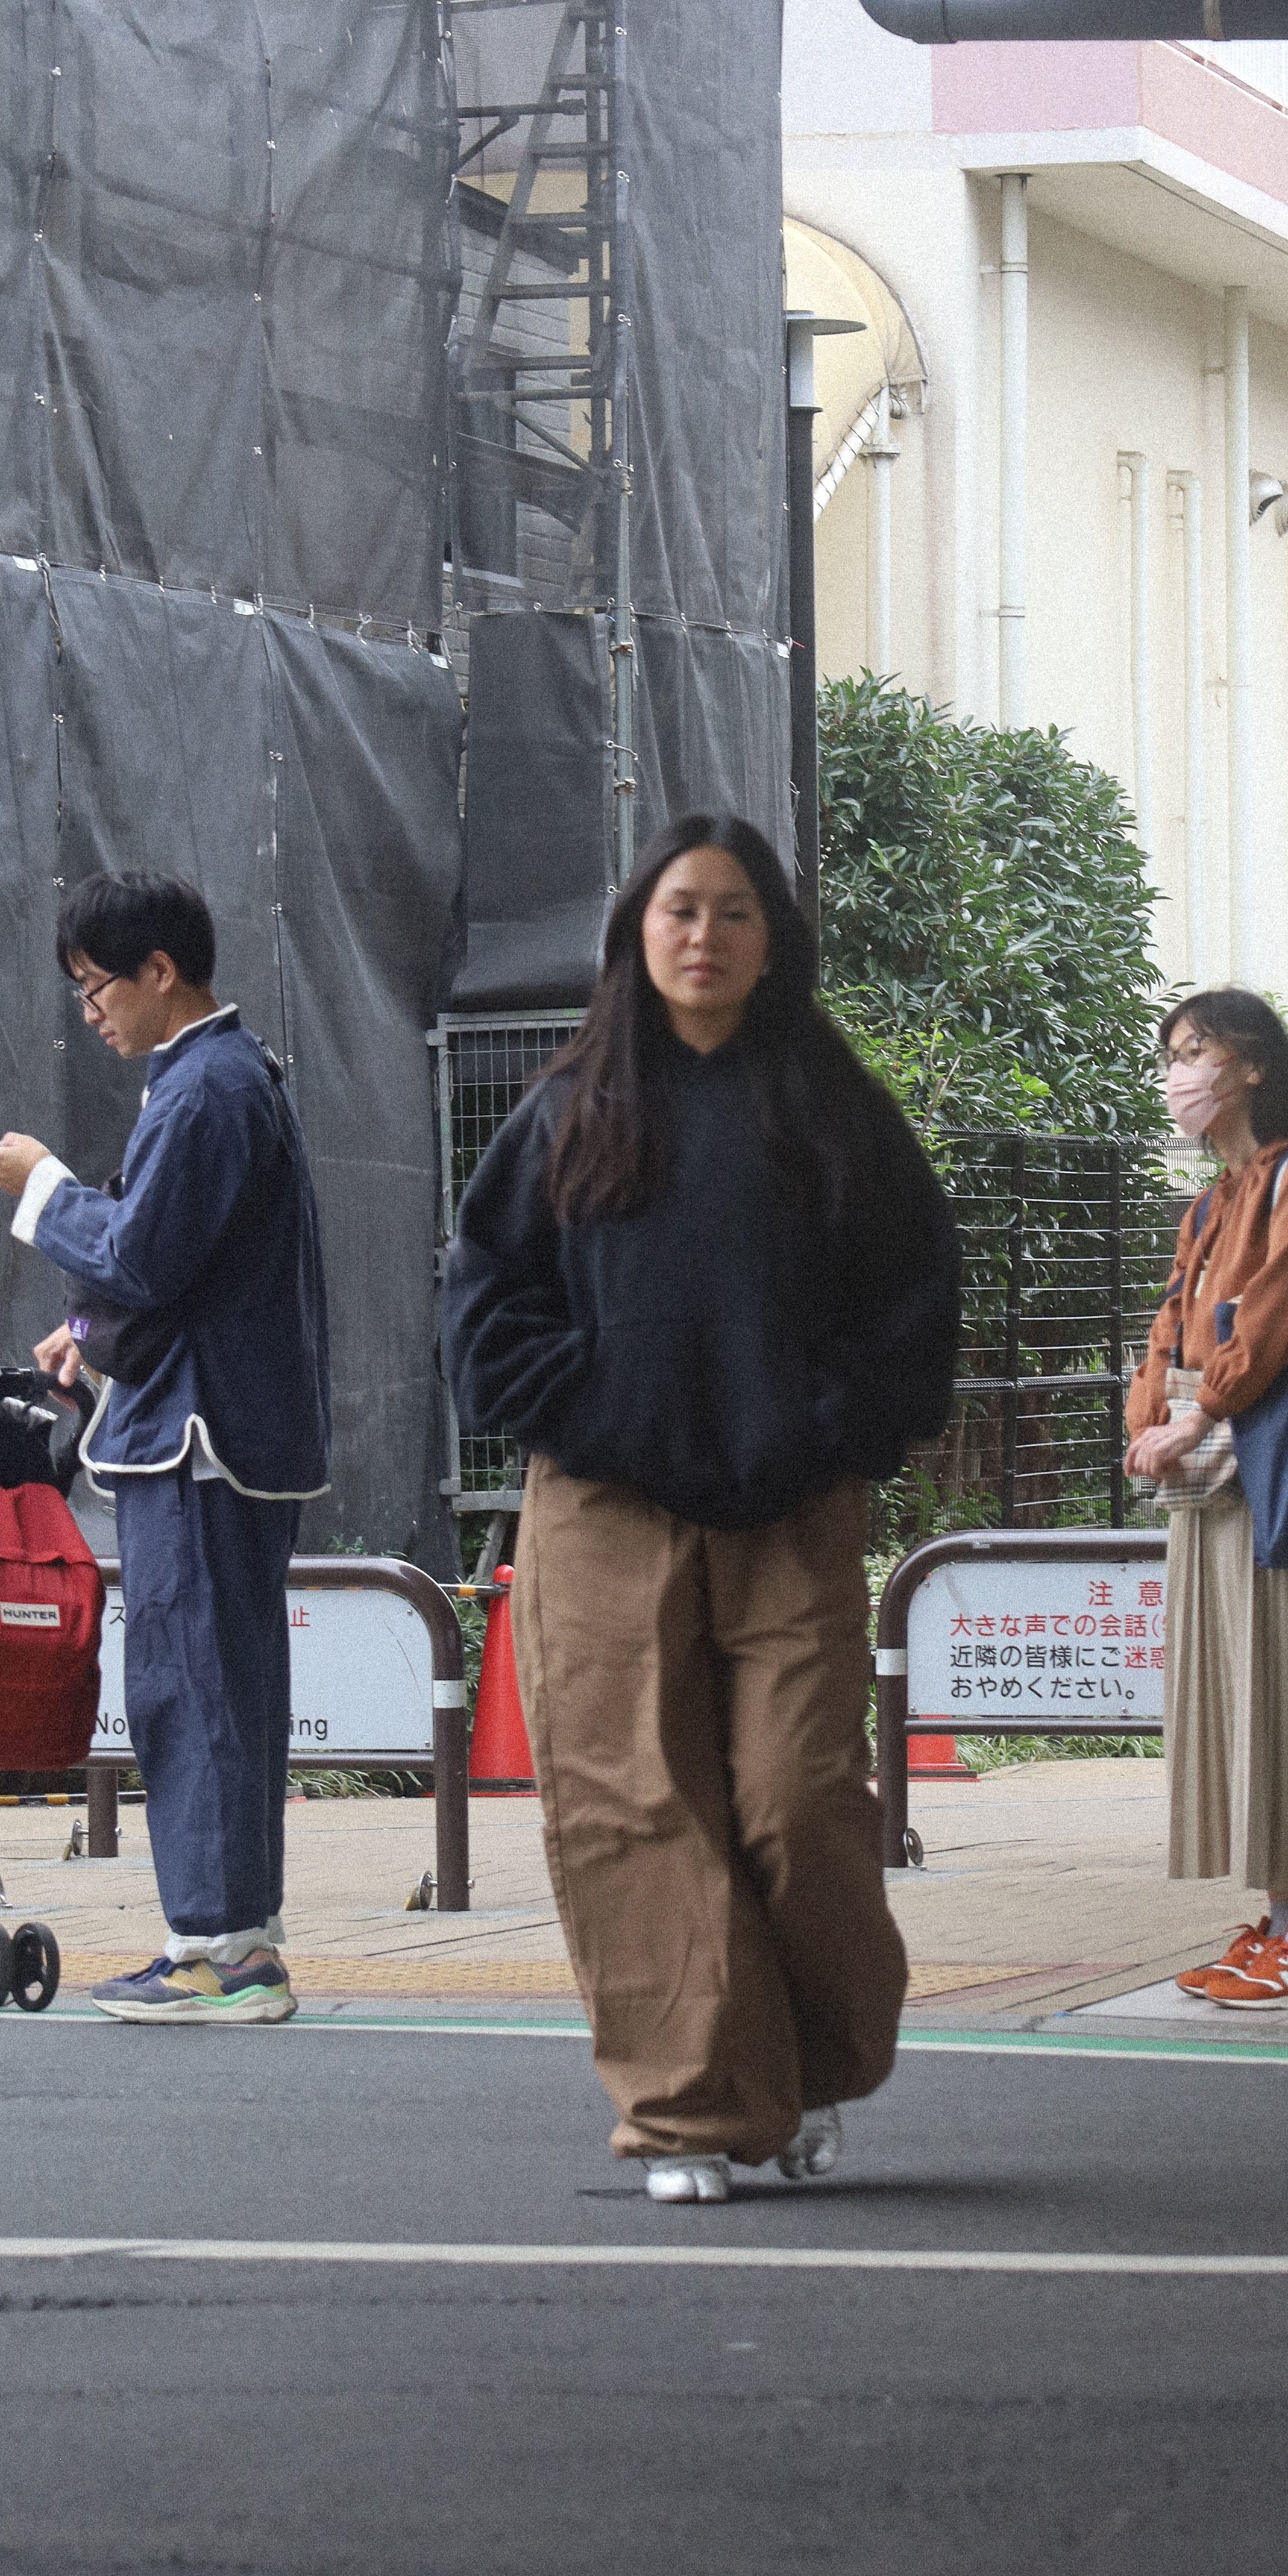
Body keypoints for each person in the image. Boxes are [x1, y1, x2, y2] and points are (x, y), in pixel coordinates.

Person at [442, 814, 961, 2203]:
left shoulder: (832, 1108)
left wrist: (832, 1423)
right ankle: (689, 2110)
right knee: (632, 1802)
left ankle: (802, 2062)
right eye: (680, 909)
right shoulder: (571, 1105)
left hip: (793, 1508)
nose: (704, 936)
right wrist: (597, 1406)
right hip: (603, 1510)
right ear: (637, 932)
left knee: (796, 1800)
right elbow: (485, 1309)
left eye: (734, 912)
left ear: (771, 938)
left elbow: (915, 1300)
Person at [0, 870, 330, 2025]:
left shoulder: (206, 1088)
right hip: (226, 1424)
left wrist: (41, 1189)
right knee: (231, 1688)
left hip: (198, 1438)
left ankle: (218, 1951)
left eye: (96, 985)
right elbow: (177, 1264)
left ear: (161, 972)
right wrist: (86, 1334)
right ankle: (239, 1939)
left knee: (190, 1685)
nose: (90, 1010)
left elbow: (139, 1258)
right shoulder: (231, 1075)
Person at [1124, 988, 1288, 2009]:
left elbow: (1272, 1319)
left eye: (1199, 1052)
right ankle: (1281, 1924)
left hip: (1274, 1469)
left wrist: (1196, 1412)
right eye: (1174, 1055)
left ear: (1254, 1067)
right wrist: (1150, 1417)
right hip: (1211, 1477)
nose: (1182, 1074)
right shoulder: (1215, 1199)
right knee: (1244, 1697)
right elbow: (1171, 1325)